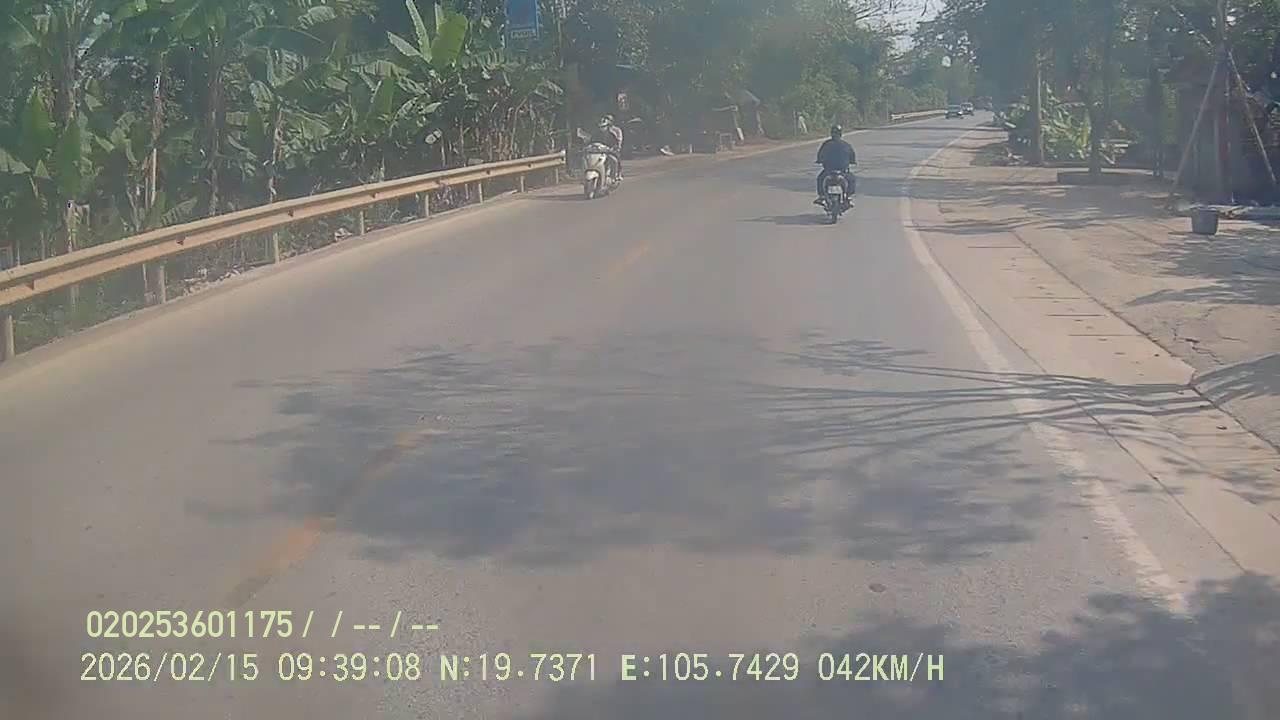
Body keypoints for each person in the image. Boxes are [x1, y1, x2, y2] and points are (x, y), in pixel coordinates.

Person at [814, 124, 856, 205]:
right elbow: (852, 157)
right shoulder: (846, 145)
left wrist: (819, 161)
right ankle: (848, 197)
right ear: (840, 134)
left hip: (828, 171)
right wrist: (852, 161)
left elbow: (820, 156)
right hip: (842, 171)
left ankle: (822, 197)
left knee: (820, 178)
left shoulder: (826, 144)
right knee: (852, 179)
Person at [590, 116, 623, 181]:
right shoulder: (596, 134)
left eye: (603, 127)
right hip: (597, 153)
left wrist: (614, 148)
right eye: (600, 127)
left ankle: (613, 176)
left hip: (608, 153)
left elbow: (616, 143)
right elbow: (591, 142)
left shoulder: (612, 134)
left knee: (614, 160)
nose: (602, 128)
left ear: (607, 126)